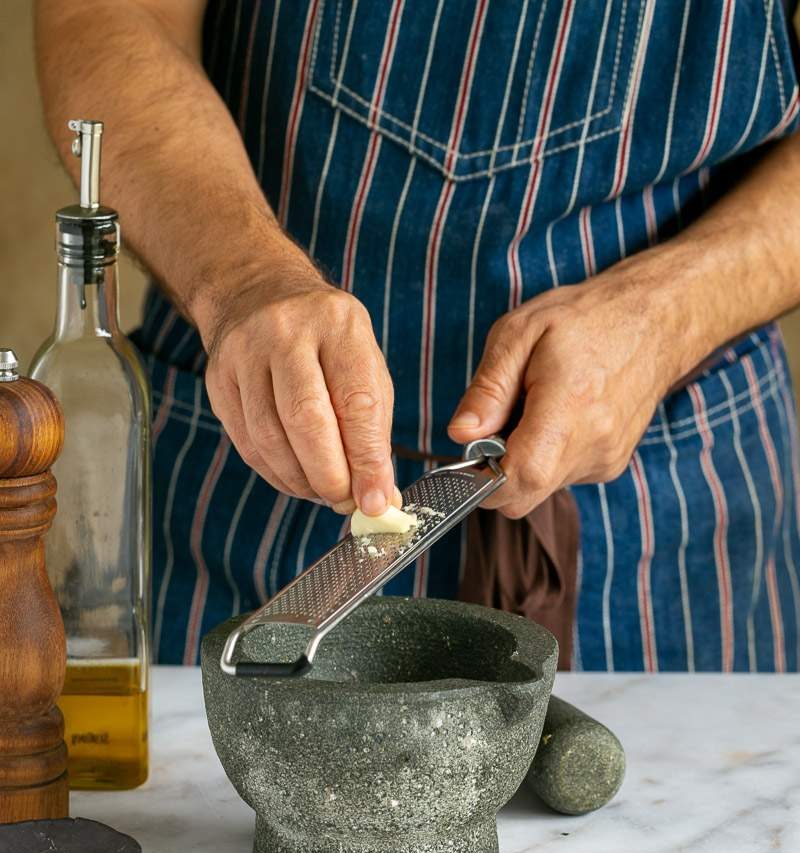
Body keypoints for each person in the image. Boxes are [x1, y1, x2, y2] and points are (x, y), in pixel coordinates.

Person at [36, 0, 800, 671]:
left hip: (673, 500)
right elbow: (107, 15)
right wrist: (241, 279)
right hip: (242, 482)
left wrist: (671, 311)